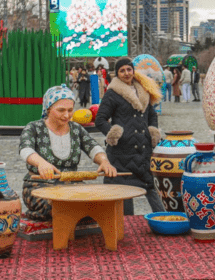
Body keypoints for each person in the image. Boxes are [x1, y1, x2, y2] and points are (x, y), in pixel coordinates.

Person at [19, 84, 117, 221]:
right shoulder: (34, 127)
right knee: (60, 206)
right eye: (61, 110)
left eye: (70, 110)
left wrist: (104, 161)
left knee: (95, 204)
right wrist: (41, 163)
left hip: (71, 185)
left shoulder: (76, 129)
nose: (66, 115)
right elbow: (25, 149)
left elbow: (93, 147)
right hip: (39, 185)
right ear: (48, 109)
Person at [95, 57, 165, 216]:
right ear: (117, 74)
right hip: (122, 152)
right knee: (124, 190)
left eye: (129, 69)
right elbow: (100, 119)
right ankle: (126, 226)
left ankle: (163, 219)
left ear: (133, 71)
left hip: (143, 150)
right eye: (122, 70)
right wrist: (114, 134)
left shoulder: (144, 91)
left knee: (149, 186)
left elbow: (152, 115)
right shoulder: (112, 93)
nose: (126, 73)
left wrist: (152, 130)